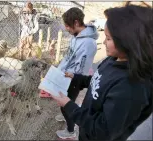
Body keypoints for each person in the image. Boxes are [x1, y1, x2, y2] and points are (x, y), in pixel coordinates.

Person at [51, 5, 153, 141]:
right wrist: (78, 78)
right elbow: (98, 80)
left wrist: (70, 106)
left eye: (109, 38)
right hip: (87, 131)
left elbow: (102, 130)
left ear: (129, 41)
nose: (103, 42)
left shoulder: (130, 87)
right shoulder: (113, 60)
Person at [54, 7, 98, 139]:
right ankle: (66, 114)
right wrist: (59, 69)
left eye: (67, 26)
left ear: (77, 23)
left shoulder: (88, 43)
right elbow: (69, 57)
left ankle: (70, 130)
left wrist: (69, 77)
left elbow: (82, 70)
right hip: (65, 76)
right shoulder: (76, 37)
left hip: (72, 80)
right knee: (63, 102)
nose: (66, 29)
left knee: (66, 104)